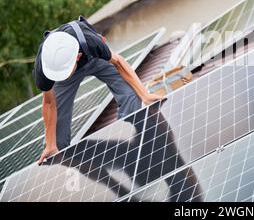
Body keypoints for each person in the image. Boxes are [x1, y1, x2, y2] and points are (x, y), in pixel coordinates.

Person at [34, 16, 164, 164]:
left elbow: (119, 62)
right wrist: (51, 144)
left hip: (94, 58)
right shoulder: (45, 67)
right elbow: (49, 103)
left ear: (78, 56)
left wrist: (145, 95)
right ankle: (62, 161)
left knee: (131, 94)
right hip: (67, 72)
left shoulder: (90, 42)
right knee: (56, 138)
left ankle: (132, 136)